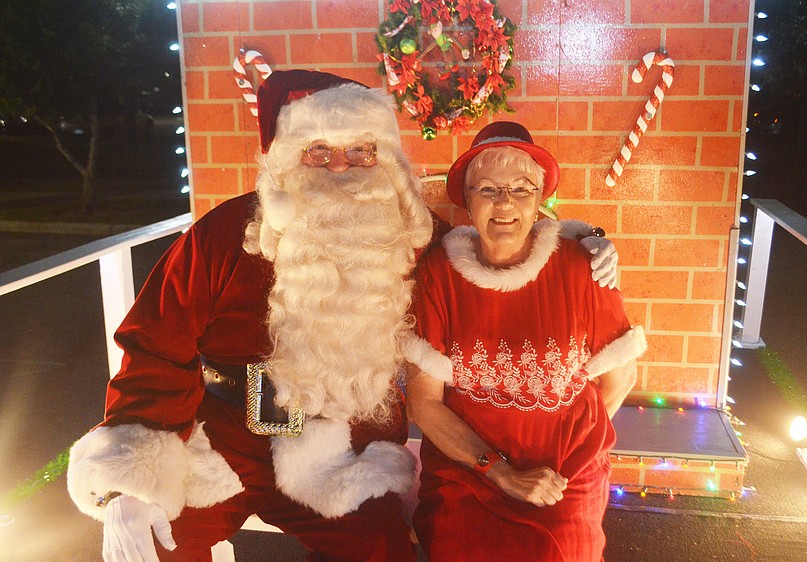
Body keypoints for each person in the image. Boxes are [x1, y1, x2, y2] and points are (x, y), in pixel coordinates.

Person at [65, 70, 618, 561]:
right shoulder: (223, 234)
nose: (341, 168)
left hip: (343, 450)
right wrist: (130, 479)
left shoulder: (409, 234)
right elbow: (155, 344)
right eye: (318, 151)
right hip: (221, 440)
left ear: (386, 161)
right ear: (286, 161)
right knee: (158, 542)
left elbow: (494, 248)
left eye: (361, 151)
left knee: (380, 551)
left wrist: (573, 240)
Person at [404, 121, 647, 562]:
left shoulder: (583, 267)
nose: (504, 204)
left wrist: (571, 451)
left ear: (539, 200)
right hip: (469, 473)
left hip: (562, 476)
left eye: (521, 189)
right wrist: (498, 471)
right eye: (488, 190)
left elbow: (619, 377)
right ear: (467, 198)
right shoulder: (439, 275)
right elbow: (424, 402)